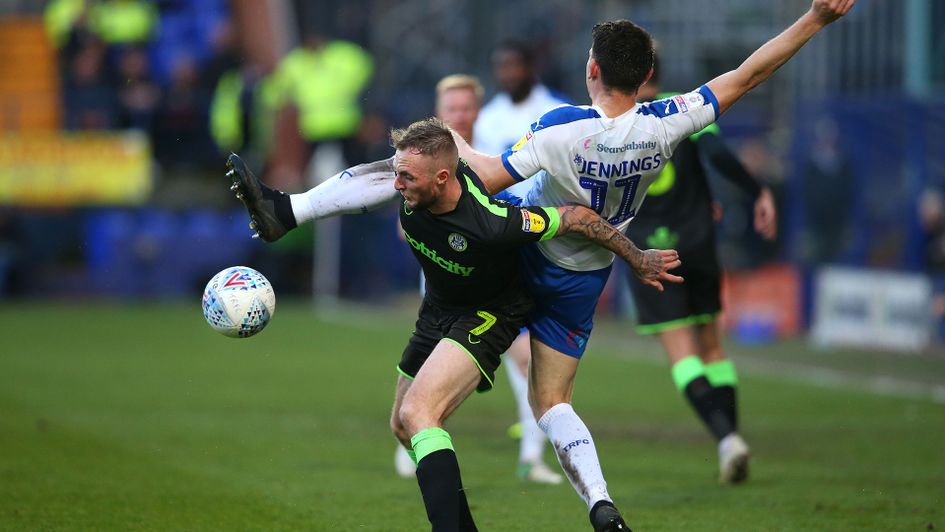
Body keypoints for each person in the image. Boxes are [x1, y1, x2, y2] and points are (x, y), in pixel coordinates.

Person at [227, 2, 855, 528]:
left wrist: (454, 140)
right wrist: (815, 18)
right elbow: (745, 76)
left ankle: (291, 211)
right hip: (585, 276)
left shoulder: (561, 129)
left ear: (591, 70)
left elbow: (492, 175)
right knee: (553, 399)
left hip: (521, 248)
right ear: (646, 78)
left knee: (409, 173)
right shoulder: (667, 124)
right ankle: (602, 504)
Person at [228, 117, 682, 531]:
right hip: (438, 311)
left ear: (443, 179)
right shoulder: (417, 180)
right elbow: (379, 176)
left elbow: (578, 218)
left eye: (407, 177)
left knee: (419, 413)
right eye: (398, 173)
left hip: (489, 313)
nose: (397, 182)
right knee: (404, 428)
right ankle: (286, 213)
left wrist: (637, 257)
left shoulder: (494, 223)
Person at [393, 73, 563, 485]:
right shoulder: (419, 159)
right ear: (440, 113)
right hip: (441, 289)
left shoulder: (493, 157)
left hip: (495, 292)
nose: (461, 115)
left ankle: (530, 456)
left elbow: (514, 214)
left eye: (468, 107)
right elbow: (405, 218)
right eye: (452, 109)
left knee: (524, 361)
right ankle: (413, 442)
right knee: (415, 396)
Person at [624, 54, 777, 483]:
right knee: (712, 345)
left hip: (650, 252)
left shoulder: (616, 119)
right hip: (699, 241)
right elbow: (717, 154)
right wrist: (757, 190)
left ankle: (727, 439)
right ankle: (731, 439)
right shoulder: (683, 105)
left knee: (682, 354)